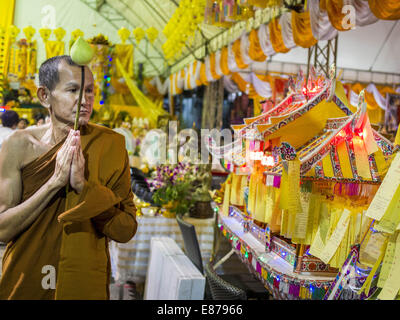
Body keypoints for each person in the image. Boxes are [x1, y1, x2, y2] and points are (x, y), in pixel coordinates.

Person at [0, 55, 138, 300]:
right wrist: (54, 183)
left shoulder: (111, 145)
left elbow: (125, 230)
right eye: (73, 90)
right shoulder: (19, 145)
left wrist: (84, 189)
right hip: (28, 276)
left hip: (83, 283)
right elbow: (2, 229)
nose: (84, 100)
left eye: (89, 91)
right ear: (45, 96)